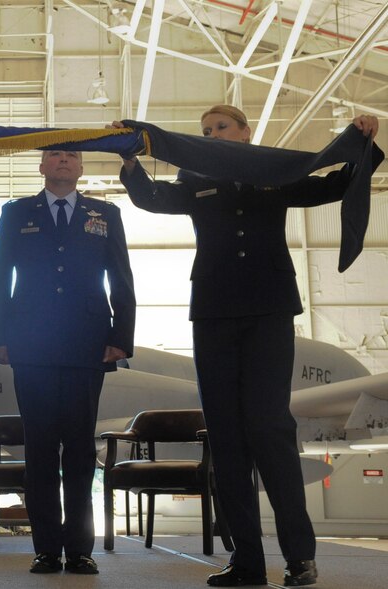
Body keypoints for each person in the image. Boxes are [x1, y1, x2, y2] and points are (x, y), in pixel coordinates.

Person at [112, 106, 382, 587]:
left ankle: (300, 557)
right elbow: (154, 199)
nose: (212, 135)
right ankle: (246, 561)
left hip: (268, 311)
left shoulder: (274, 171)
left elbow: (330, 186)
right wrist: (131, 164)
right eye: (205, 131)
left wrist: (360, 142)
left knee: (269, 428)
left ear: (244, 132)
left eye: (220, 128)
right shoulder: (195, 178)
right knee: (226, 436)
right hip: (213, 313)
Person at [0, 149, 136, 575]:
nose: (64, 161)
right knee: (40, 449)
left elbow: (121, 275)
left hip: (87, 343)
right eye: (55, 155)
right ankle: (47, 548)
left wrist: (121, 337)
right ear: (42, 166)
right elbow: (0, 273)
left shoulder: (105, 213)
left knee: (81, 449)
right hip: (30, 344)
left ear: (82, 167)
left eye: (71, 155)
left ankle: (80, 548)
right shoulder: (17, 213)